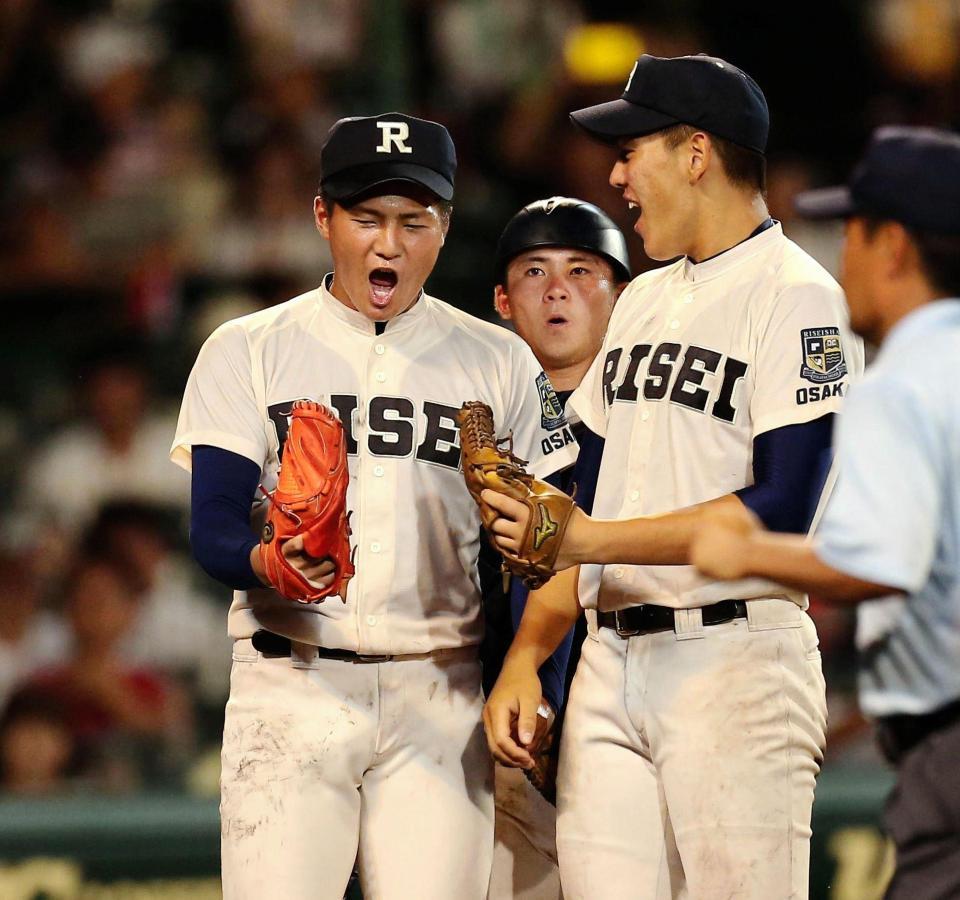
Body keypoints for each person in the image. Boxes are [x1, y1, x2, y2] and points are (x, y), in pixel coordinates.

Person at [481, 54, 865, 899]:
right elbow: (593, 496)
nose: (615, 175)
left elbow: (783, 508)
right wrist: (529, 652)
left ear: (696, 153)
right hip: (611, 664)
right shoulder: (646, 300)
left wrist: (591, 538)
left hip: (733, 658)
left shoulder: (798, 295)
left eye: (632, 150)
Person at [171, 112, 577, 900]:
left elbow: (557, 544)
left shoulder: (498, 361)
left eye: (413, 222)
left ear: (445, 227)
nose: (388, 244)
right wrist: (267, 561)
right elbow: (212, 523)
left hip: (441, 690)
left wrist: (535, 671)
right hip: (291, 687)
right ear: (323, 217)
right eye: (366, 218)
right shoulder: (248, 347)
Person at [690, 126, 960, 900]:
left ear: (895, 247)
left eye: (851, 232)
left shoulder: (902, 380)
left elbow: (874, 564)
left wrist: (745, 555)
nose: (841, 255)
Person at [486, 196, 630, 900]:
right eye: (534, 271)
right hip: (498, 734)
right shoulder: (470, 422)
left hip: (630, 713)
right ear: (502, 302)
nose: (557, 289)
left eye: (582, 270)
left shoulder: (655, 421)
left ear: (622, 294)